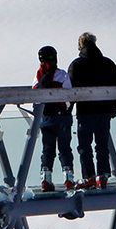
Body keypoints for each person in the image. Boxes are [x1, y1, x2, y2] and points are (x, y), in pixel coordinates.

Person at [67, 32, 116, 189]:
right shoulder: (107, 63)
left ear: (80, 45)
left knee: (85, 146)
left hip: (85, 111)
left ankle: (89, 177)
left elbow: (70, 90)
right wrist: (114, 108)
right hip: (104, 111)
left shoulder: (76, 65)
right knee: (102, 145)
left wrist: (67, 110)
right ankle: (103, 176)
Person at [32, 44, 74, 192]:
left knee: (47, 149)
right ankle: (68, 178)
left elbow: (35, 99)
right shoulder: (62, 75)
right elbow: (69, 96)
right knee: (64, 148)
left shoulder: (38, 77)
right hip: (62, 118)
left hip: (46, 119)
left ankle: (45, 179)